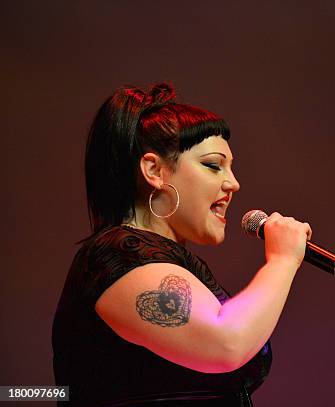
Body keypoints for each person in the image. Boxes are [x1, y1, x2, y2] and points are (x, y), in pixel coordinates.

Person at [52, 83, 311, 406]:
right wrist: (283, 261)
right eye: (214, 165)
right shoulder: (122, 256)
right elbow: (226, 344)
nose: (233, 183)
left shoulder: (162, 260)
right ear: (154, 170)